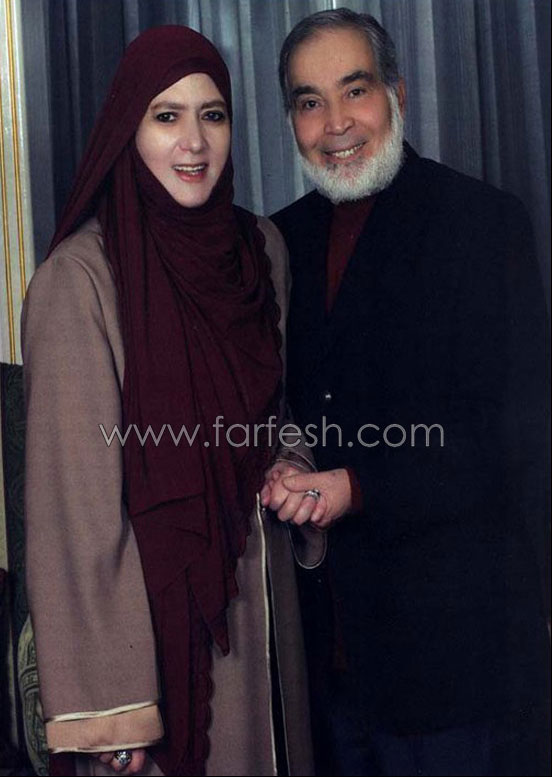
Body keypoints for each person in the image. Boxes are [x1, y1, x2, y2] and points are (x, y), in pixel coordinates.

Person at [22, 25, 321, 777]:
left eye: (212, 115)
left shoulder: (260, 252)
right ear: (128, 129)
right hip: (154, 649)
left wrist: (291, 465)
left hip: (264, 613)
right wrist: (114, 716)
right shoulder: (79, 282)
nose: (194, 142)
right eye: (166, 116)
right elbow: (75, 520)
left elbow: (272, 412)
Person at [261, 8, 550, 777]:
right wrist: (287, 463)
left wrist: (358, 485)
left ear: (397, 93)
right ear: (290, 120)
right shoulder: (277, 242)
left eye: (354, 90)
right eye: (310, 101)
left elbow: (512, 437)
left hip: (456, 660)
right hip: (324, 659)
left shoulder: (482, 223)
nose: (335, 123)